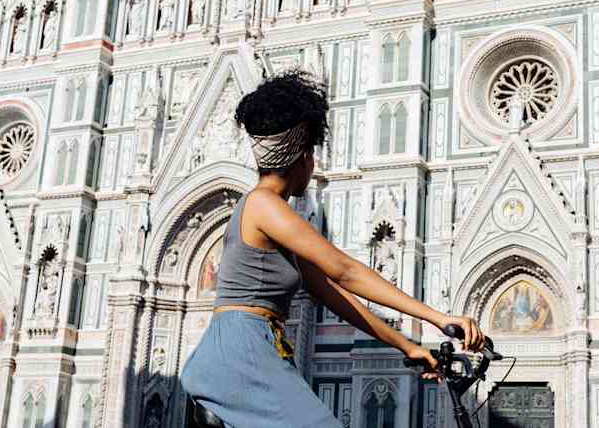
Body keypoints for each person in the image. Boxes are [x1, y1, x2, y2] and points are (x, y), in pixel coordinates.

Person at [181, 70, 485, 427]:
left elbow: (332, 291)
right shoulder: (265, 205)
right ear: (303, 156)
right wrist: (438, 317)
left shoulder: (270, 213)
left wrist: (407, 345)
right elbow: (346, 270)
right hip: (241, 352)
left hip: (246, 349)